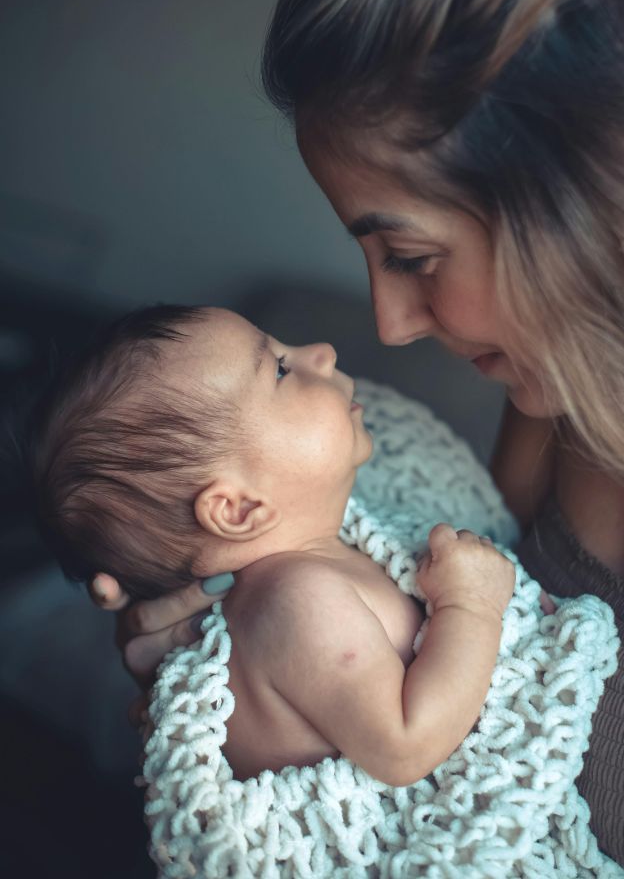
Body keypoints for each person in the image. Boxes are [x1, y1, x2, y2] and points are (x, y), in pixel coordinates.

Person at [91, 0, 624, 875]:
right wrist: (226, 683)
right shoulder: (559, 392)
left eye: (409, 254)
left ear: (588, 204)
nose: (390, 328)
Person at [32, 303, 516, 784]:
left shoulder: (314, 563)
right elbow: (405, 748)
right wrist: (470, 604)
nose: (322, 353)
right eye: (281, 369)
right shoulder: (295, 599)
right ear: (238, 510)